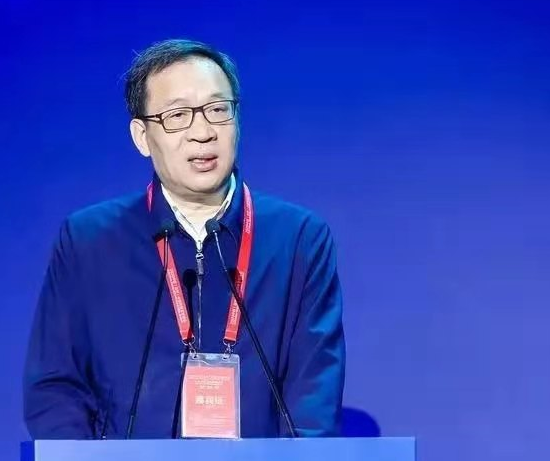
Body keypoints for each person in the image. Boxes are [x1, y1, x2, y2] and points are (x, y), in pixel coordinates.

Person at [23, 39, 345, 439]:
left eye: (217, 110)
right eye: (177, 115)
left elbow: (314, 396)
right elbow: (55, 386)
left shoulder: (298, 240)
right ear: (142, 136)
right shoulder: (90, 242)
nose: (202, 133)